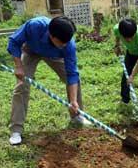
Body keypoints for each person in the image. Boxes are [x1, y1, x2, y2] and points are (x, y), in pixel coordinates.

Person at [7, 16, 90, 145]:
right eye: (62, 42)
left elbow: (72, 73)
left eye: (67, 42)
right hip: (31, 50)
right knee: (21, 86)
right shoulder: (34, 25)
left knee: (74, 80)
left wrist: (73, 100)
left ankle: (77, 115)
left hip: (54, 54)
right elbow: (13, 41)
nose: (65, 45)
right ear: (52, 36)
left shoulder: (67, 45)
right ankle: (16, 130)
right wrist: (18, 66)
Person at [113, 19, 138, 105]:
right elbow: (117, 36)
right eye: (127, 38)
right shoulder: (117, 29)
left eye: (132, 37)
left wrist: (132, 76)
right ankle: (125, 99)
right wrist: (117, 46)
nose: (130, 40)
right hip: (131, 52)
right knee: (126, 74)